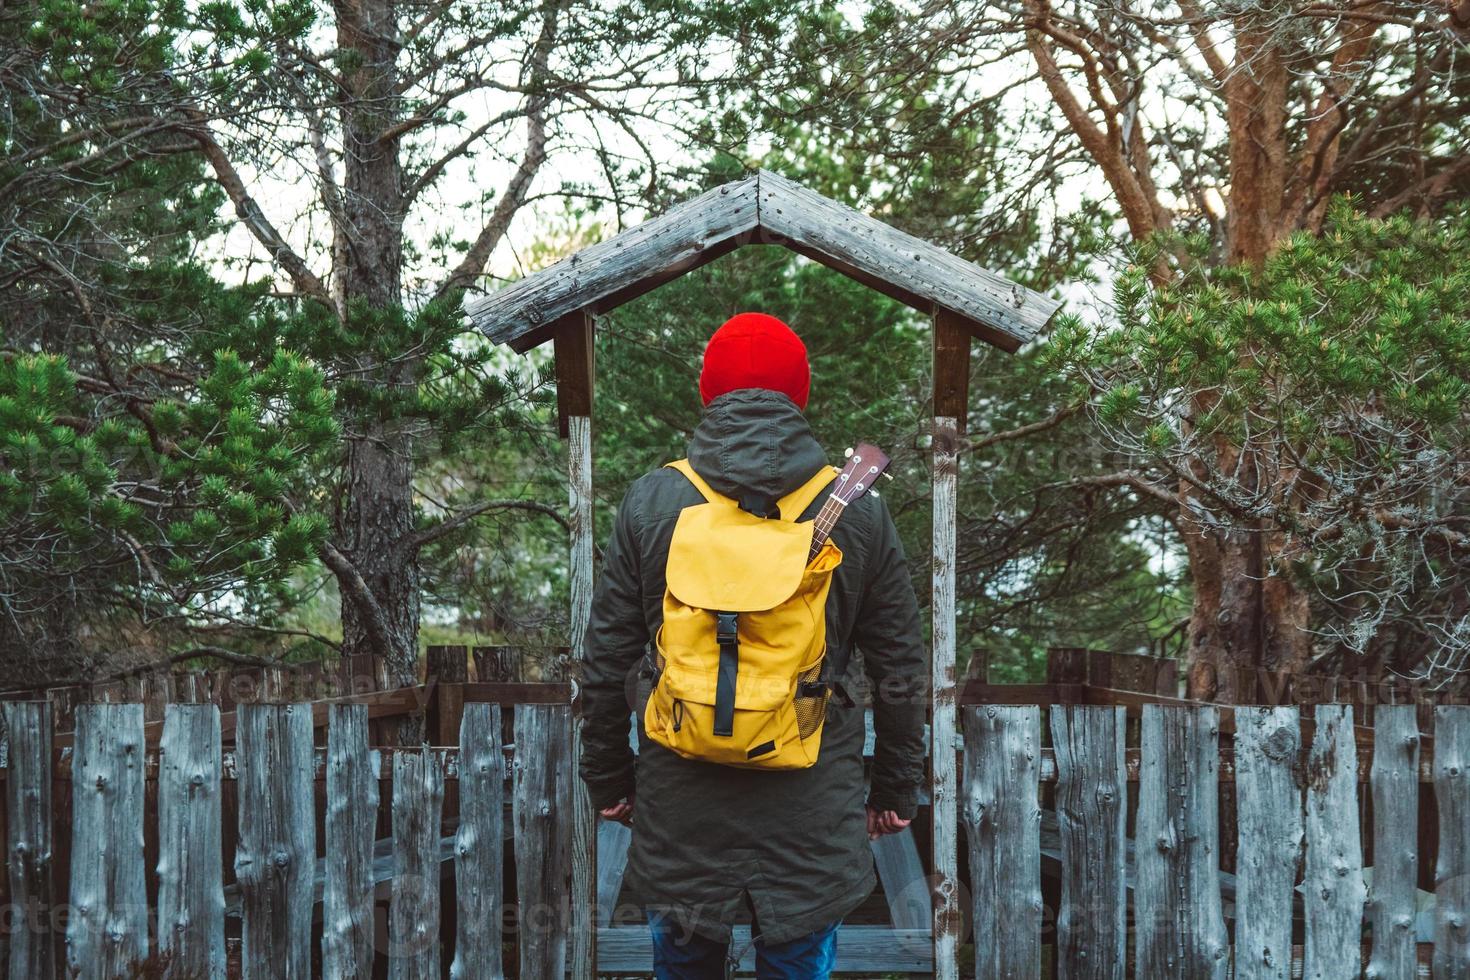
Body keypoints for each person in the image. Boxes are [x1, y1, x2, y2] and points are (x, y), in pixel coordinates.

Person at [579, 312, 929, 979]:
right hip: (811, 814)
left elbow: (604, 665)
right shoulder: (857, 507)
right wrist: (894, 792)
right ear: (799, 393)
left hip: (681, 808)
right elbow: (900, 668)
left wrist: (609, 780)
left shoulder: (654, 501)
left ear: (708, 392)